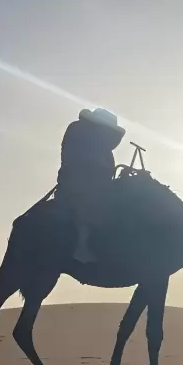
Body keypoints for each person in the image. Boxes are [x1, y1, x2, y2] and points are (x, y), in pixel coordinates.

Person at [56, 108, 126, 262]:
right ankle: (82, 245)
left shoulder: (104, 148)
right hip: (76, 183)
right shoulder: (78, 131)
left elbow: (106, 170)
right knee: (91, 205)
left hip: (98, 185)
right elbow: (76, 159)